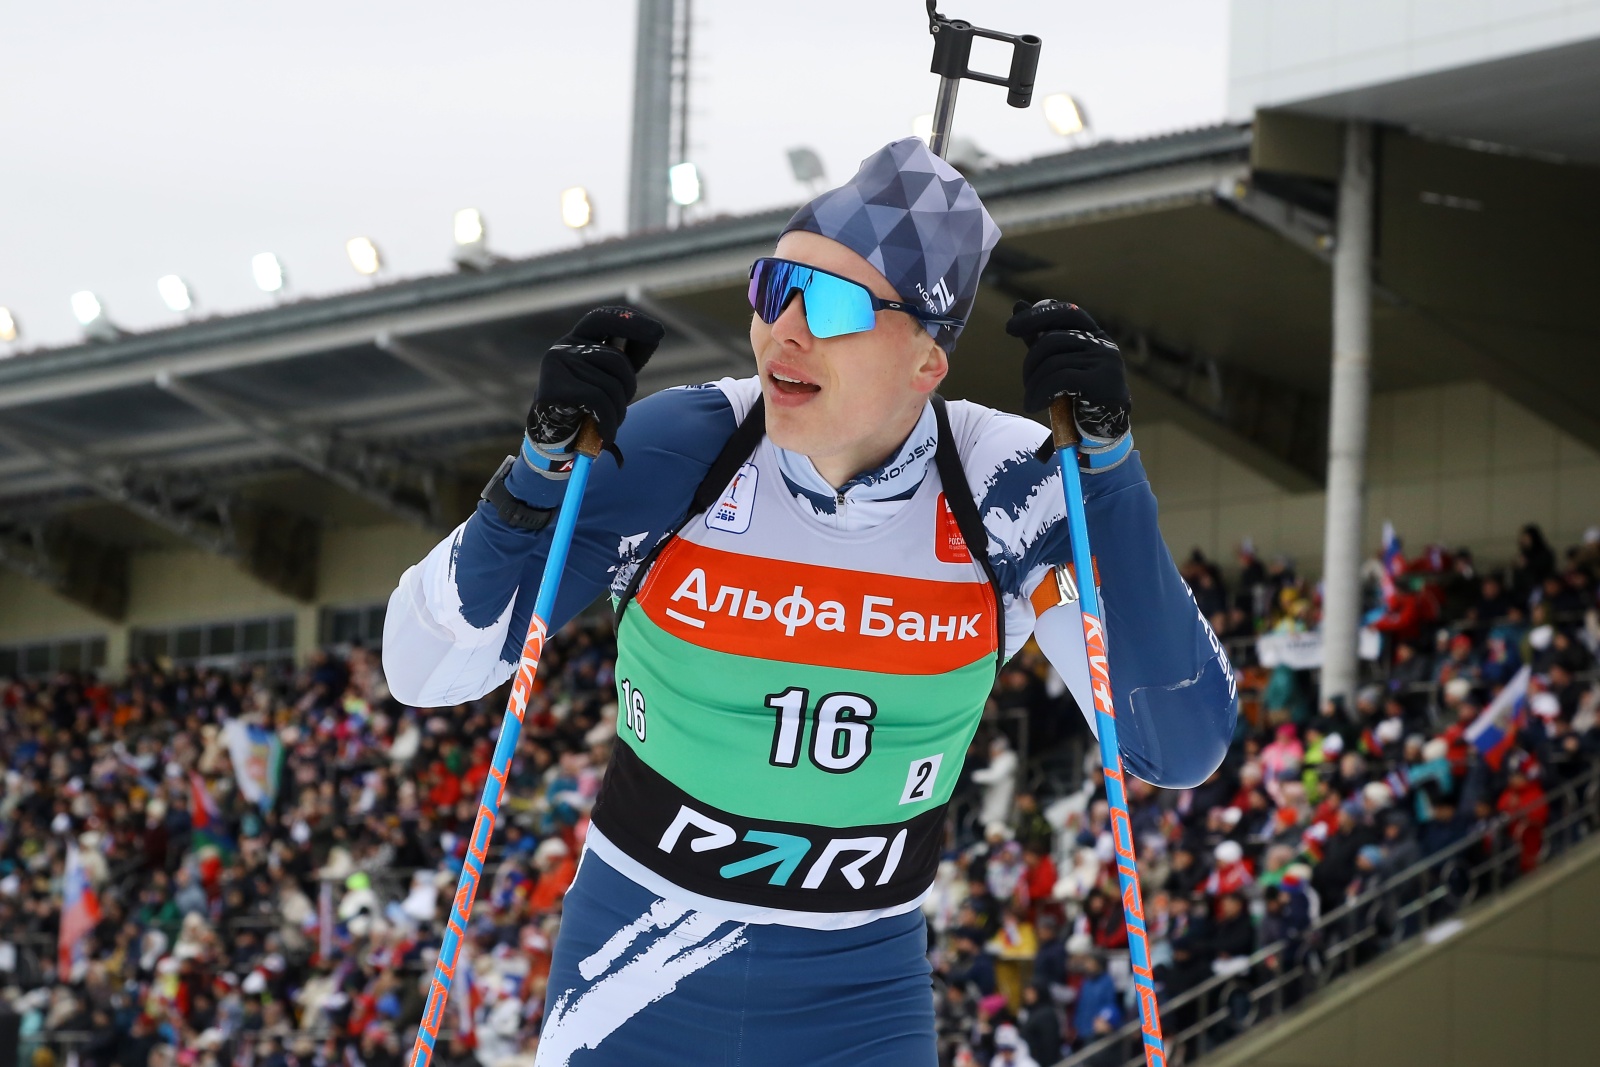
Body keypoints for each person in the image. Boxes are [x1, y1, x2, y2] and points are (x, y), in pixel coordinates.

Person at [382, 137, 1235, 1065]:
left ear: (928, 362)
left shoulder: (1000, 482)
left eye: (829, 305)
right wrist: (534, 477)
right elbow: (425, 670)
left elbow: (1176, 743)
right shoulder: (690, 447)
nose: (782, 331)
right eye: (773, 287)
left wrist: (1108, 474)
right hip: (631, 979)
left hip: (856, 1000)